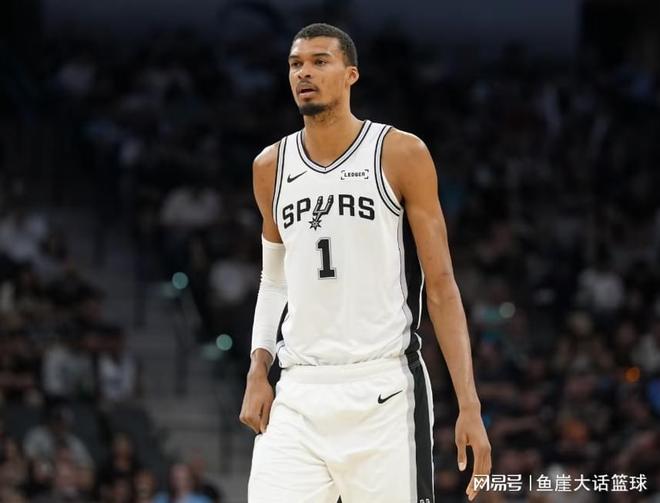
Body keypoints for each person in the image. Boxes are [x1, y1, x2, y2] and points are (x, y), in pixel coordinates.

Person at [239, 23, 492, 503]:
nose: (304, 73)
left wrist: (469, 403)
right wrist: (258, 369)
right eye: (295, 64)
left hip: (383, 389)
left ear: (351, 74)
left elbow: (440, 283)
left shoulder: (401, 153)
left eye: (320, 62)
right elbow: (273, 281)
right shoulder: (269, 166)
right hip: (298, 391)